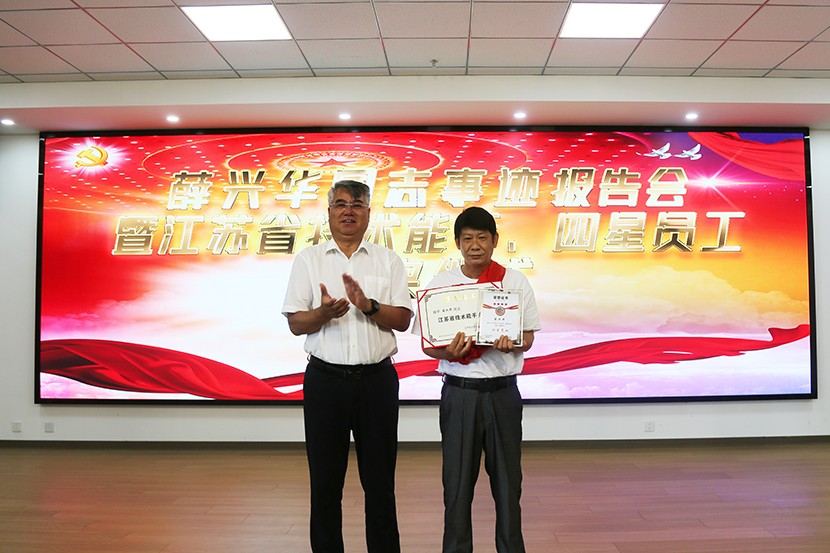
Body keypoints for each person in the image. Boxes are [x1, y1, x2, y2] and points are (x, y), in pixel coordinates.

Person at [281, 179, 412, 553]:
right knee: (325, 483)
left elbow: (403, 319)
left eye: (357, 204)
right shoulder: (309, 260)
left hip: (376, 381)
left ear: (369, 212)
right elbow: (296, 324)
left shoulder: (389, 260)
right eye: (340, 204)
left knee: (380, 483)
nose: (348, 211)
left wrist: (368, 306)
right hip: (326, 381)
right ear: (329, 212)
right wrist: (322, 314)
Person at [419, 206, 541, 553]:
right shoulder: (440, 285)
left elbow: (528, 337)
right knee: (457, 486)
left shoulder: (514, 281)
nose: (475, 245)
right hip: (460, 394)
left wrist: (513, 341)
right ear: (457, 243)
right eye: (468, 238)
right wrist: (448, 352)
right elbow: (428, 345)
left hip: (503, 393)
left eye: (482, 238)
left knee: (508, 484)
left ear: (495, 240)